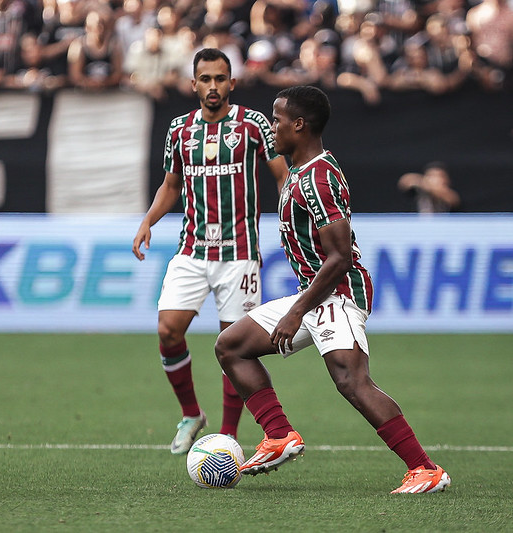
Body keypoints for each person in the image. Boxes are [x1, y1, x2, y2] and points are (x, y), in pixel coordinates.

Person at [214, 85, 451, 494]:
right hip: (314, 291)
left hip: (338, 292)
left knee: (351, 380)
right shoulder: (299, 172)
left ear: (300, 125)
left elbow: (339, 256)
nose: (272, 128)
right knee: (231, 345)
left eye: (278, 119)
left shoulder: (318, 178)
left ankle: (425, 469)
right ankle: (278, 435)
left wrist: (294, 312)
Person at [132, 47, 288, 455]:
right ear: (194, 84)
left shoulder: (253, 124)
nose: (213, 86)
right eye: (206, 79)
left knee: (234, 343)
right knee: (168, 330)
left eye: (220, 79)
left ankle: (228, 437)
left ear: (232, 83)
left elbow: (281, 175)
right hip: (192, 248)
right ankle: (191, 414)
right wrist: (148, 220)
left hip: (240, 253)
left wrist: (292, 219)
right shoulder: (179, 130)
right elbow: (171, 186)